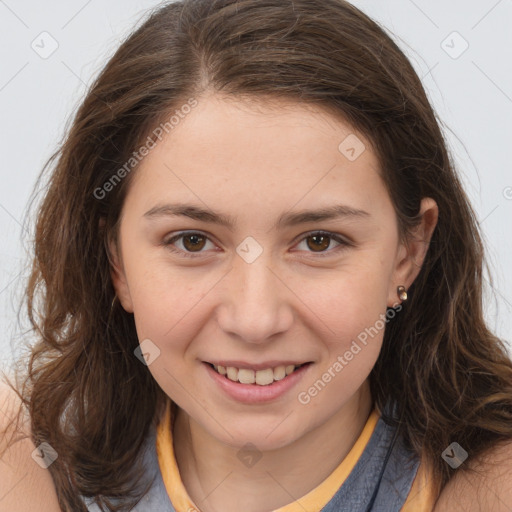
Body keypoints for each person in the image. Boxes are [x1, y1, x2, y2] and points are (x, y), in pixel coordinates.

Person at [1, 0, 512, 511]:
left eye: (319, 241)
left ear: (409, 253)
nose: (255, 320)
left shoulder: (490, 485)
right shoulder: (25, 464)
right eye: (192, 241)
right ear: (117, 261)